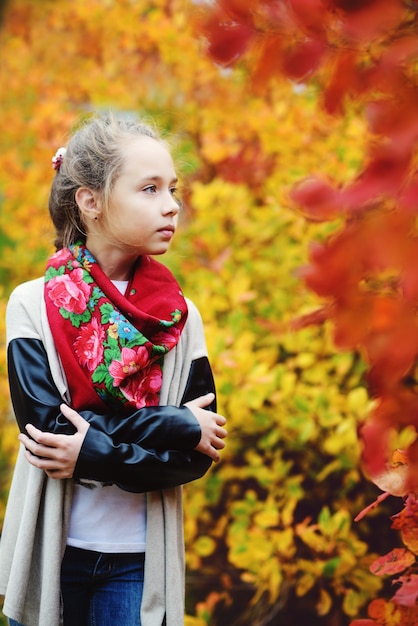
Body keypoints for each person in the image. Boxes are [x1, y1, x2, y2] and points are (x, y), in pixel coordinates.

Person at [0, 113, 227, 626]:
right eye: (149, 189)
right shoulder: (32, 305)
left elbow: (196, 457)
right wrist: (175, 424)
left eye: (173, 189)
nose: (171, 205)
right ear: (90, 200)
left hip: (139, 562)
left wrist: (94, 449)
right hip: (51, 550)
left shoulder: (180, 316)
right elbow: (47, 432)